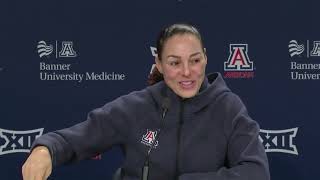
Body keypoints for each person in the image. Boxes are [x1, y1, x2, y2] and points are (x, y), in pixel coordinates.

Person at [22, 23, 270, 180]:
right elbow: (76, 138)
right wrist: (45, 150)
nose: (187, 72)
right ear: (160, 65)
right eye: (174, 63)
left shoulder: (228, 107)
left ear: (205, 58)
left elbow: (256, 172)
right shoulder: (136, 107)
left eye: (194, 60)